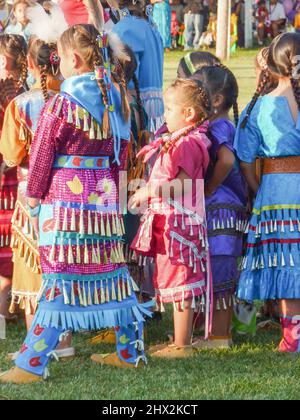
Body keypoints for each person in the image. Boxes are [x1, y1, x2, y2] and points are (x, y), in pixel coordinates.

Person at [0, 24, 153, 384]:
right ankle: (130, 353)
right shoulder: (115, 100)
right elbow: (121, 154)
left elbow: (40, 158)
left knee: (59, 279)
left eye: (60, 59)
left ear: (72, 58)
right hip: (103, 203)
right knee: (112, 276)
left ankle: (31, 364)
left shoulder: (62, 106)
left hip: (65, 206)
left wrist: (34, 197)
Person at [130, 78, 212, 358]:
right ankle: (178, 339)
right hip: (171, 222)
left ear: (188, 113)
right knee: (173, 278)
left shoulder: (188, 144)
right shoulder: (180, 140)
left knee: (181, 281)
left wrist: (149, 190)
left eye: (168, 109)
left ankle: (182, 344)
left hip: (181, 224)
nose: (164, 115)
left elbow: (183, 184)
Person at [0, 3, 66, 340]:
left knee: (32, 269)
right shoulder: (73, 100)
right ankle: (65, 342)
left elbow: (11, 155)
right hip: (70, 199)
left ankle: (39, 341)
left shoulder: (21, 105)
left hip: (32, 199)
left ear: (29, 63)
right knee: (62, 266)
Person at [234, 33, 300, 353]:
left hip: (277, 193)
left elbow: (245, 159)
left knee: (287, 258)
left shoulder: (259, 106)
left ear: (273, 63)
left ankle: (293, 336)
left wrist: (259, 188)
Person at [191, 65, 247, 349]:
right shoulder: (218, 126)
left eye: (198, 90)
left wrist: (210, 187)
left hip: (221, 207)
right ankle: (215, 333)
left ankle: (220, 336)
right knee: (218, 270)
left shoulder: (219, 126)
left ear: (216, 100)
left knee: (221, 270)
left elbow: (225, 160)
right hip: (225, 206)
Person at [0, 34, 27, 323]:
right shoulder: (29, 92)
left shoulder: (10, 96)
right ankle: (15, 307)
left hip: (8, 181)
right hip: (19, 181)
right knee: (16, 246)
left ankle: (5, 310)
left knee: (7, 250)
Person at [112, 0, 164, 133]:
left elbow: (125, 74)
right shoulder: (150, 25)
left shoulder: (125, 29)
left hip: (136, 112)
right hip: (153, 113)